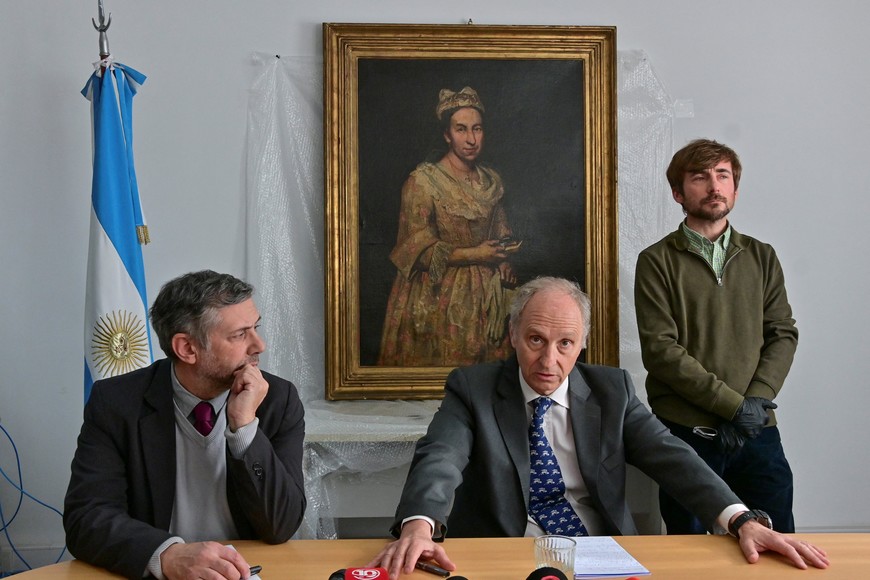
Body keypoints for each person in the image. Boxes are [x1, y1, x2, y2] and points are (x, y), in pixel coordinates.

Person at [368, 277, 827, 580]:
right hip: (507, 554)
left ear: (582, 343)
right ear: (512, 335)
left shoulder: (613, 391)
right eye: (535, 340)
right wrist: (419, 527)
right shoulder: (474, 388)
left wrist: (741, 519)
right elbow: (441, 456)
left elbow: (673, 457)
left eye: (565, 343)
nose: (549, 360)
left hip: (599, 553)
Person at [64, 270, 306, 580]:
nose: (259, 345)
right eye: (239, 334)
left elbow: (282, 524)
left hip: (246, 571)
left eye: (255, 328)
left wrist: (245, 430)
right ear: (187, 348)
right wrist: (167, 554)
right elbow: (86, 518)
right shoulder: (117, 403)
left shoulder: (278, 400)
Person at [634, 139, 798, 535]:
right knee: (690, 554)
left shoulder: (762, 256)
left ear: (735, 189)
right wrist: (733, 407)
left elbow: (782, 334)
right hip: (687, 436)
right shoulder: (656, 261)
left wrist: (754, 403)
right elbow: (661, 351)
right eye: (699, 177)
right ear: (678, 193)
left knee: (777, 544)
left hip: (757, 431)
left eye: (723, 176)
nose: (714, 186)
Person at [378, 86, 520, 367]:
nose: (471, 139)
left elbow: (501, 232)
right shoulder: (423, 182)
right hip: (436, 295)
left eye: (477, 129)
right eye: (461, 129)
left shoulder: (490, 180)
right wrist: (476, 254)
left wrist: (504, 261)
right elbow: (416, 252)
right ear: (447, 134)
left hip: (488, 295)